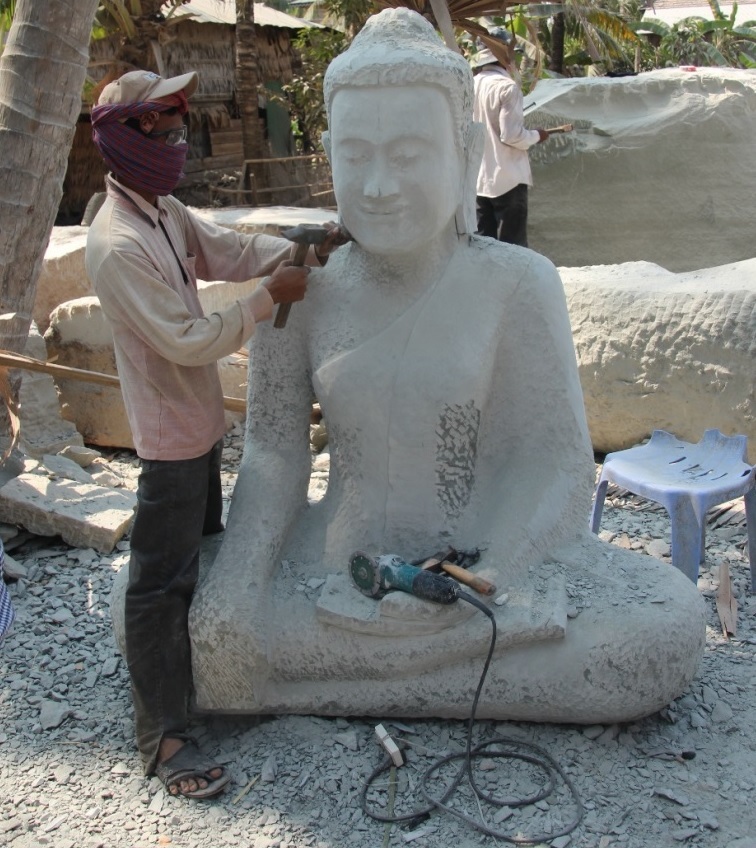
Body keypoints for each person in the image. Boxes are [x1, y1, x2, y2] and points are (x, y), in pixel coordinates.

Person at [189, 8, 705, 727]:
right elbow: (274, 452)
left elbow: (554, 463)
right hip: (335, 566)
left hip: (480, 566)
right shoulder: (300, 284)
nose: (376, 186)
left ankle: (300, 682)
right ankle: (422, 679)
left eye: (406, 156)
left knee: (663, 627)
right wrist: (239, 588)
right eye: (357, 156)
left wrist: (493, 569)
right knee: (166, 616)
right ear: (329, 153)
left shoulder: (516, 283)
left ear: (464, 153)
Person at [84, 69, 344, 799]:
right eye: (161, 129)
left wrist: (299, 248)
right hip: (169, 437)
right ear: (122, 136)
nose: (175, 141)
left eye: (177, 127)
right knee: (157, 585)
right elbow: (189, 340)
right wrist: (268, 300)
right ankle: (163, 738)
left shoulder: (162, 213)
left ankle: (196, 686)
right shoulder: (117, 243)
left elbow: (222, 249)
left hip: (199, 428)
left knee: (198, 558)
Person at [472, 27, 549, 247]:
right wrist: (537, 135)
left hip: (478, 180)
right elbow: (512, 136)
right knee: (512, 249)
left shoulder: (471, 85)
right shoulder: (507, 88)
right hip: (508, 179)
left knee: (483, 248)